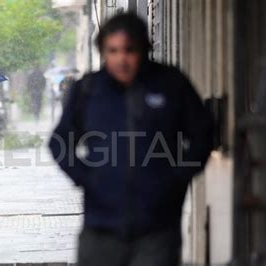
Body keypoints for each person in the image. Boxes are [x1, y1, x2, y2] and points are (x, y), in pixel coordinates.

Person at [49, 13, 213, 266]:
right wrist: (86, 178)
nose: (121, 59)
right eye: (112, 51)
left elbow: (203, 134)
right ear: (103, 51)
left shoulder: (171, 84)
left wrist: (177, 179)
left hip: (157, 228)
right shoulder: (89, 90)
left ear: (144, 49)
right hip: (100, 228)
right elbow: (59, 141)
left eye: (129, 50)